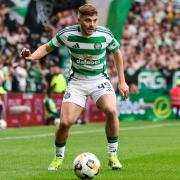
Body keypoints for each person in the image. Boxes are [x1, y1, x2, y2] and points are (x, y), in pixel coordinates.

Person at [21, 4, 129, 171]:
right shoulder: (67, 34)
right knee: (65, 123)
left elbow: (117, 53)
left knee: (111, 110)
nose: (91, 24)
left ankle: (113, 155)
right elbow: (47, 47)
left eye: (94, 20)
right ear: (79, 20)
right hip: (77, 82)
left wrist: (122, 82)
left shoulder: (104, 34)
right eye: (87, 20)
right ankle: (58, 158)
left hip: (99, 80)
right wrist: (31, 57)